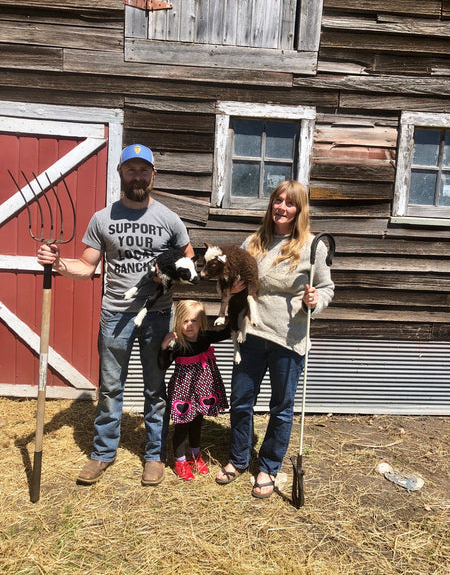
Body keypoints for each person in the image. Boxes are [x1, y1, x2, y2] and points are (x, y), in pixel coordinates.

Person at [37, 144, 195, 486]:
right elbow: (86, 265)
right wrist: (59, 264)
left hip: (156, 314)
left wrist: (167, 275)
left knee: (155, 388)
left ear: (153, 175)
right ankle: (103, 453)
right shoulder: (103, 219)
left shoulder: (169, 219)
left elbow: (189, 262)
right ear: (121, 173)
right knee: (110, 388)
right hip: (115, 314)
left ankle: (154, 456)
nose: (137, 175)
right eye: (130, 169)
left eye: (143, 170)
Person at [215, 180, 334, 499]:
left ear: (299, 210)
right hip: (251, 333)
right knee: (241, 400)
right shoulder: (254, 241)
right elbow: (231, 279)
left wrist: (314, 301)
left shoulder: (312, 245)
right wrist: (230, 286)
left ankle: (268, 466)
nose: (281, 207)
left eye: (289, 203)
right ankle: (239, 458)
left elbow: (326, 287)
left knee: (281, 406)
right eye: (277, 200)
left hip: (289, 338)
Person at [158, 300, 230, 481]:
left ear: (201, 322)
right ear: (178, 322)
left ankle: (195, 456)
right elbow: (162, 365)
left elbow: (227, 332)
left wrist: (236, 309)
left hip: (203, 389)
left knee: (197, 422)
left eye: (194, 321)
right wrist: (164, 346)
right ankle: (180, 461)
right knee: (182, 425)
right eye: (185, 321)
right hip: (183, 391)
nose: (189, 325)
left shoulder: (205, 338)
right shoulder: (177, 345)